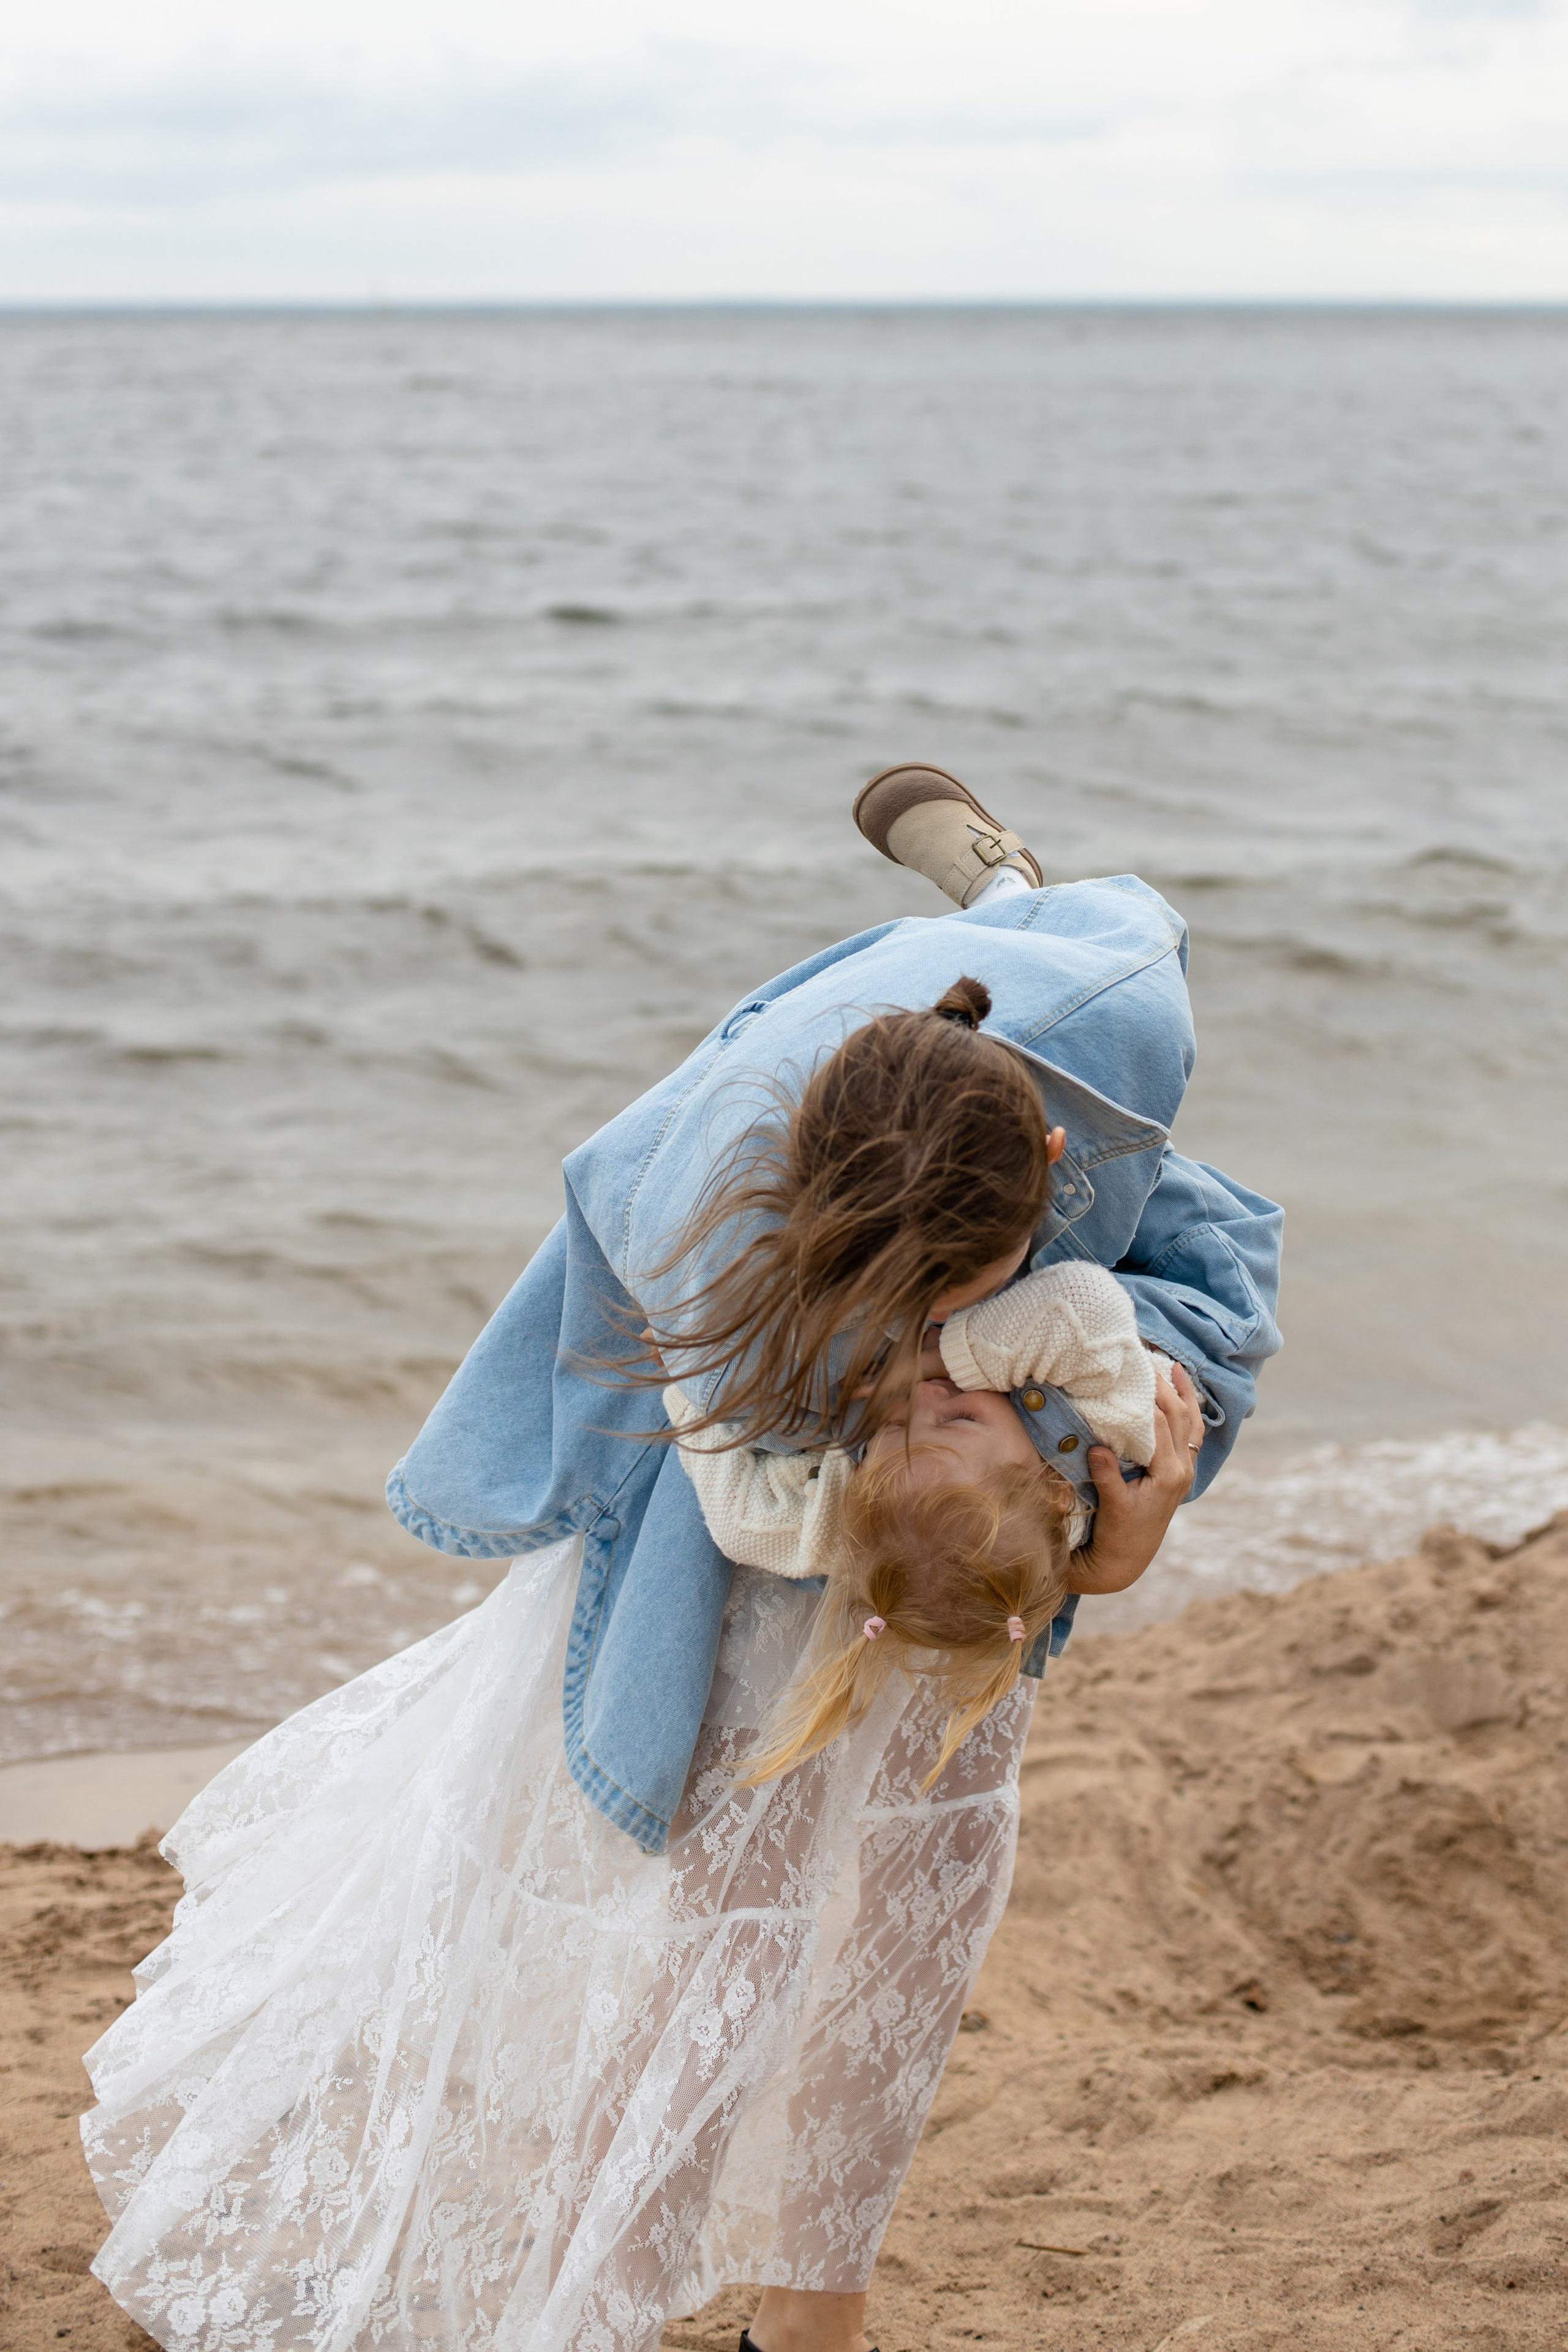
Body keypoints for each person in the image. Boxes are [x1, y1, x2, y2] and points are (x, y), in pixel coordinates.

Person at [81, 766, 1282, 2352]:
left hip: (984, 1343)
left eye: (961, 1296)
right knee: (736, 1900)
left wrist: (1093, 1516)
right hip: (779, 1441)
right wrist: (898, 1481)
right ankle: (614, 2299)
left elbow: (1202, 1307)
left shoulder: (1121, 1046)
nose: (929, 1333)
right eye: (900, 1305)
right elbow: (743, 1502)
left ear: (1057, 1168)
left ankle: (815, 2319)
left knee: (932, 1871)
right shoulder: (708, 1219)